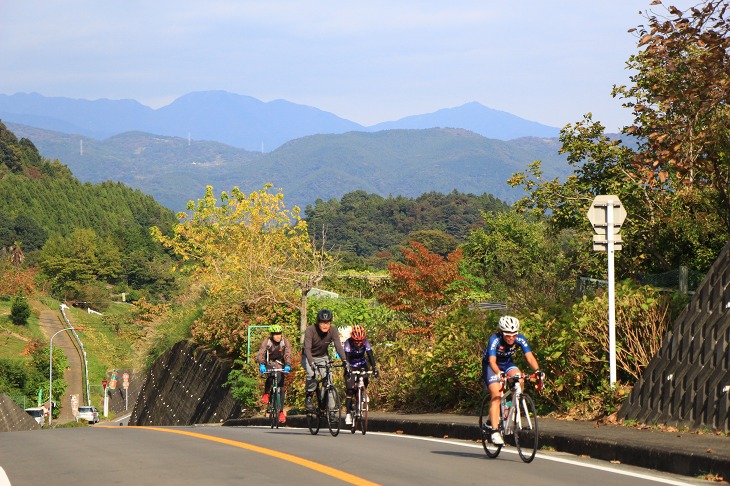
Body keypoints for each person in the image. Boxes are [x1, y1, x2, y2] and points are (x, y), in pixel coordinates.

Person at [481, 315, 542, 446]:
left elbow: (530, 357)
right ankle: (495, 431)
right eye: (508, 335)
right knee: (496, 394)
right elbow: (492, 361)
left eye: (514, 335)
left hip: (507, 364)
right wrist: (499, 373)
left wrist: (537, 371)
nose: (511, 338)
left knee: (520, 378)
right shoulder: (495, 339)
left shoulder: (520, 338)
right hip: (491, 366)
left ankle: (514, 406)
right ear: (502, 333)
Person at [302, 308, 349, 411]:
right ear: (318, 322)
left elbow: (338, 346)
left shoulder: (333, 330)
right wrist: (311, 363)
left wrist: (345, 360)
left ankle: (331, 410)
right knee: (312, 374)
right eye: (322, 323)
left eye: (327, 323)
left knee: (329, 380)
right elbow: (307, 349)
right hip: (309, 356)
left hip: (323, 356)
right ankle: (309, 396)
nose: (325, 326)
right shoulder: (310, 330)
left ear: (330, 323)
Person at [343, 325, 379, 425]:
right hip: (350, 365)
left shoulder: (365, 342)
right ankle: (348, 414)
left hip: (362, 364)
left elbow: (370, 355)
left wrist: (374, 367)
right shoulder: (348, 343)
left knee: (365, 376)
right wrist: (347, 369)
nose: (358, 343)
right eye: (356, 341)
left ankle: (362, 392)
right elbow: (346, 358)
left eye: (360, 341)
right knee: (350, 390)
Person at [257, 324, 292, 424]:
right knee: (271, 376)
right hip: (269, 362)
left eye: (279, 334)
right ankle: (266, 393)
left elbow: (288, 353)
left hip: (280, 363)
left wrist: (288, 364)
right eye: (275, 334)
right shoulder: (267, 341)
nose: (278, 336)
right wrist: (261, 364)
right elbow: (261, 353)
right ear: (272, 335)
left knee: (280, 387)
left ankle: (281, 412)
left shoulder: (284, 342)